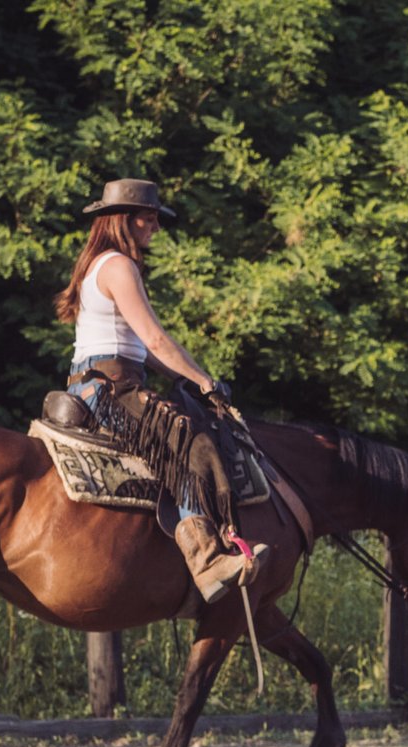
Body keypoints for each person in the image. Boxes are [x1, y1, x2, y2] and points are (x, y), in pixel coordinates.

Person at [53, 178, 256, 603]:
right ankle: (206, 561)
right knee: (191, 441)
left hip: (97, 382)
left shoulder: (102, 265)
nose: (155, 227)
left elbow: (147, 352)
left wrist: (196, 380)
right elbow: (158, 340)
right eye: (149, 217)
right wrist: (206, 382)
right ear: (124, 220)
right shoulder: (118, 266)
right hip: (111, 389)